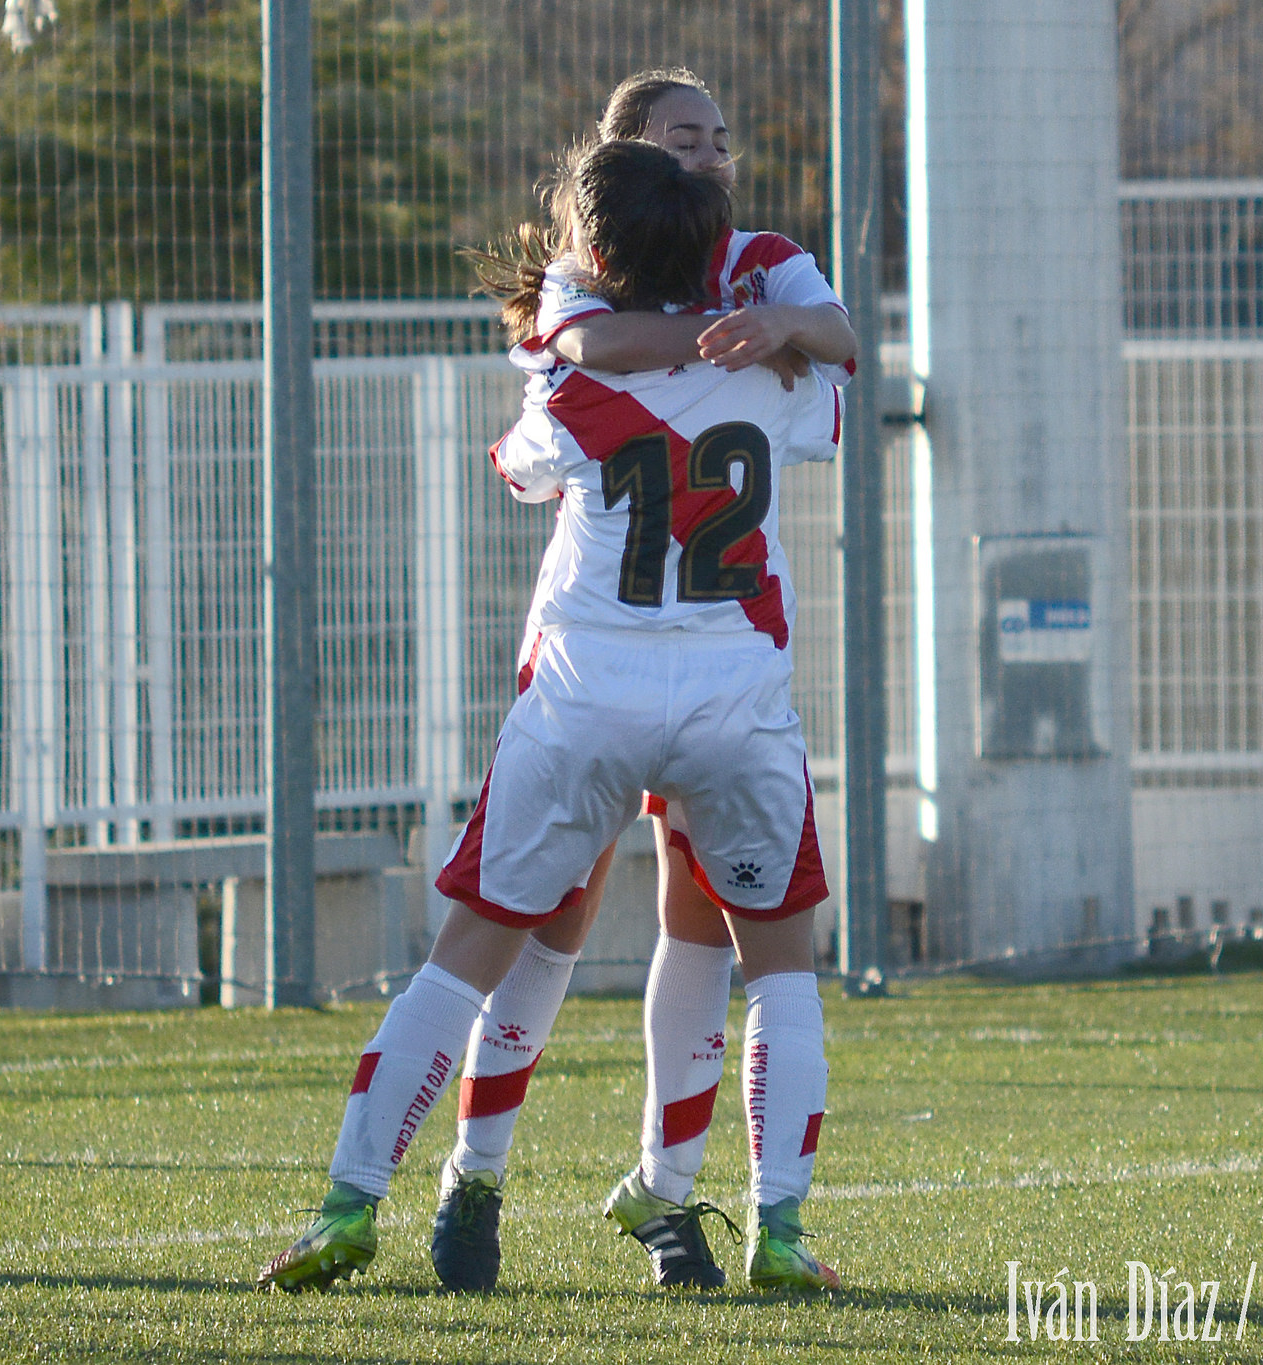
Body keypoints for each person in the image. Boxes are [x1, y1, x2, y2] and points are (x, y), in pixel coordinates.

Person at [255, 138, 840, 1296]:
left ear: (595, 253)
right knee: (780, 969)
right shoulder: (783, 372)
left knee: (466, 956)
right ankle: (779, 1231)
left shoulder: (567, 379)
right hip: (732, 691)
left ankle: (348, 1203)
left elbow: (524, 466)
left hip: (586, 691)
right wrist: (755, 334)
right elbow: (824, 381)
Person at [431, 67, 857, 1296]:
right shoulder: (586, 278)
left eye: (721, 137)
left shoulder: (767, 265)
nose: (714, 156)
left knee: (701, 925)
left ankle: (666, 1195)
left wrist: (776, 326)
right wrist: (715, 351)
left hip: (716, 660)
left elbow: (837, 351)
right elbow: (559, 385)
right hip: (600, 652)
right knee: (550, 924)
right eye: (686, 139)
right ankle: (477, 1172)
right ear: (626, 169)